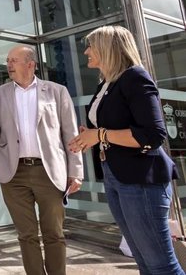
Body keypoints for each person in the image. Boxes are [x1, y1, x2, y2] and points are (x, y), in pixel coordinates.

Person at [69, 25, 184, 274]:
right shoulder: (106, 83)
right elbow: (108, 127)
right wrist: (89, 135)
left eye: (91, 46)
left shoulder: (135, 77)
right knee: (143, 261)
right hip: (115, 177)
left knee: (160, 264)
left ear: (108, 48)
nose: (87, 51)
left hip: (141, 180)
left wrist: (98, 134)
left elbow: (152, 135)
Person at [0, 45, 83, 275]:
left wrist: (75, 170)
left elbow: (71, 134)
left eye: (14, 60)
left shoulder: (57, 92)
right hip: (14, 175)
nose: (9, 64)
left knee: (54, 233)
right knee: (26, 235)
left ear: (31, 64)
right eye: (8, 60)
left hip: (49, 172)